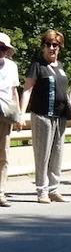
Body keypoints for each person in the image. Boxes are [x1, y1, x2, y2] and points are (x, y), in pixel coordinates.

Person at [20, 30, 71, 202]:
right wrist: (21, 114)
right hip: (42, 115)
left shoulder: (61, 66)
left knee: (57, 153)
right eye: (48, 44)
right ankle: (42, 190)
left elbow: (63, 89)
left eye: (55, 45)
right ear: (43, 46)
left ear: (60, 47)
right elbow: (27, 90)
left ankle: (53, 189)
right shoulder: (37, 65)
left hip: (60, 117)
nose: (51, 48)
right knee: (42, 154)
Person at [0, 32, 22, 207]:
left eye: (3, 48)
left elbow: (14, 91)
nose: (0, 51)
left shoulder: (11, 66)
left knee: (4, 154)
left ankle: (0, 192)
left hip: (6, 113)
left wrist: (19, 115)